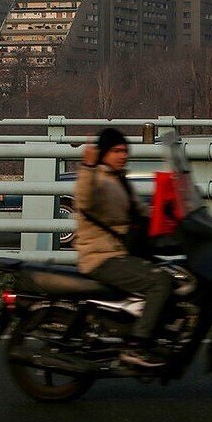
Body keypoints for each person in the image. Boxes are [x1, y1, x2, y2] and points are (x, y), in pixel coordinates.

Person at [74, 127, 173, 369]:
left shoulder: (119, 180)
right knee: (159, 283)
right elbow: (84, 199)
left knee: (171, 274)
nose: (122, 155)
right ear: (104, 153)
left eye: (125, 150)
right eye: (116, 151)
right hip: (101, 257)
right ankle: (136, 346)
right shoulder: (97, 180)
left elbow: (143, 213)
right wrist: (87, 167)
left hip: (120, 254)